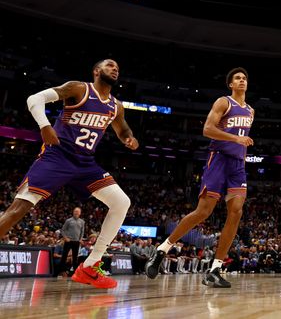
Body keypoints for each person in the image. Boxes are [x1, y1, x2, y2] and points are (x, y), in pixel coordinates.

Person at [0, 59, 137, 288]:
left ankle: (89, 266)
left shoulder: (115, 106)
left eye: (117, 68)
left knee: (122, 202)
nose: (115, 69)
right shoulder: (79, 88)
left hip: (85, 163)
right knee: (18, 209)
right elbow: (35, 99)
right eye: (110, 65)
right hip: (57, 156)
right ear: (96, 71)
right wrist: (45, 126)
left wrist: (128, 138)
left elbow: (123, 128)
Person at [146, 68, 254, 288]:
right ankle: (163, 249)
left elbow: (241, 140)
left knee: (236, 212)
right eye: (238, 78)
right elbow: (207, 129)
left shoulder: (251, 110)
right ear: (230, 84)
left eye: (244, 78)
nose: (242, 81)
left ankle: (215, 269)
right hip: (219, 160)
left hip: (237, 165)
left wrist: (240, 147)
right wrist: (235, 138)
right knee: (204, 211)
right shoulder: (224, 102)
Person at [60, 207, 86, 275]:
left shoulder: (82, 222)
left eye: (77, 211)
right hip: (68, 241)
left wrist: (80, 239)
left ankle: (75, 272)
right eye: (75, 211)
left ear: (80, 213)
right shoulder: (68, 220)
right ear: (73, 212)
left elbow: (82, 231)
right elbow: (62, 230)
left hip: (76, 241)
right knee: (64, 256)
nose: (76, 212)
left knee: (75, 257)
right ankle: (62, 271)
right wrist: (65, 238)